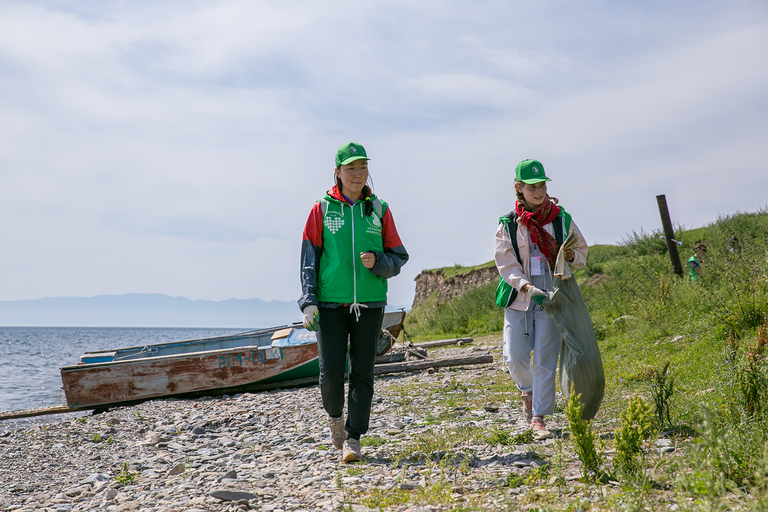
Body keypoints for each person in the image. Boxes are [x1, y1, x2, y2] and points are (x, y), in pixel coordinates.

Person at [298, 142, 409, 462]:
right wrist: (309, 301)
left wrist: (379, 262)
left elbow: (399, 256)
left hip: (371, 303)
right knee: (331, 372)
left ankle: (353, 438)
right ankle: (334, 417)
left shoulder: (380, 210)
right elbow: (309, 259)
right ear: (338, 173)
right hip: (330, 304)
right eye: (351, 169)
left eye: (362, 168)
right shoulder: (321, 209)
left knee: (362, 373)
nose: (358, 174)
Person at [494, 159, 588, 438]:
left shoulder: (561, 219)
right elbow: (506, 265)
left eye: (542, 185)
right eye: (532, 186)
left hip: (553, 297)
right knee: (514, 357)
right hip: (519, 297)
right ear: (518, 188)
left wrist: (571, 255)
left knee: (546, 358)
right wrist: (526, 288)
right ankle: (527, 391)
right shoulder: (508, 225)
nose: (538, 191)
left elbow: (581, 250)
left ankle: (539, 417)